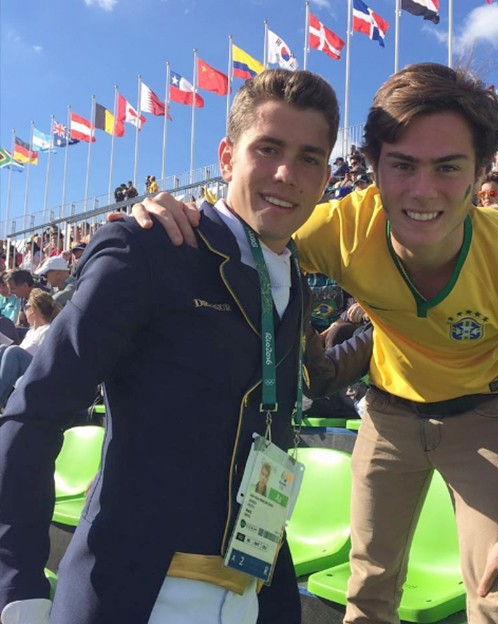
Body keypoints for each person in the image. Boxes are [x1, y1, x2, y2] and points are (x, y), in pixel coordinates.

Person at [139, 63, 498, 624]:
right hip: (390, 413)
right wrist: (169, 220)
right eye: (401, 165)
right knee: (368, 591)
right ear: (372, 167)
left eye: (448, 167)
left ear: (481, 171)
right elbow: (242, 230)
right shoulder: (342, 227)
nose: (423, 191)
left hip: (487, 413)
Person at [0, 69, 371, 624]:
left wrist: (397, 325)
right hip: (134, 592)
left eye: (310, 158)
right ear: (226, 157)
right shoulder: (149, 246)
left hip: (256, 590)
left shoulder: (293, 275)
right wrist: (18, 581)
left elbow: (309, 379)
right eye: (267, 148)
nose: (287, 173)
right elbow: (34, 412)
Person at [0, 289, 60, 408]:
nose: (24, 310)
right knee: (3, 349)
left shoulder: (48, 330)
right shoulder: (32, 332)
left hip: (41, 373)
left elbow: (46, 360)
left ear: (34, 309)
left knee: (13, 351)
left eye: (26, 306)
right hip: (26, 371)